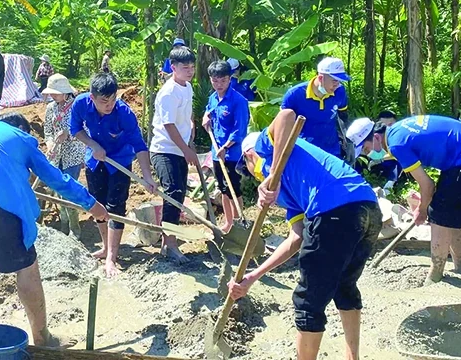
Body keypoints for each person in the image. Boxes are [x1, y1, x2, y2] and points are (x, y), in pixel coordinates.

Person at [0, 114, 109, 347]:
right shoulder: (23, 139)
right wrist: (92, 205)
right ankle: (42, 338)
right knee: (27, 267)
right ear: (23, 129)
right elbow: (57, 179)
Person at [229, 109, 380, 360]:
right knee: (344, 286)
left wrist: (272, 177)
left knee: (308, 299)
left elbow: (287, 115)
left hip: (335, 208)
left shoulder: (266, 147)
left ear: (248, 155)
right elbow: (296, 238)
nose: (254, 174)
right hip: (366, 209)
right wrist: (252, 277)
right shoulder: (292, 192)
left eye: (247, 166)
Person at [354, 115, 461, 284]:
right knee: (449, 213)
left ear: (376, 137)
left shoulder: (397, 144)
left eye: (367, 149)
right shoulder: (396, 132)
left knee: (438, 214)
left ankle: (435, 275)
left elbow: (427, 185)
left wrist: (422, 210)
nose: (370, 155)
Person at [70, 72, 157, 277]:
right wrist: (92, 144)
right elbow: (75, 129)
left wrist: (147, 176)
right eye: (103, 101)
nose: (109, 105)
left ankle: (111, 257)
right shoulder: (81, 104)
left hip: (119, 161)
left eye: (112, 99)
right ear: (92, 97)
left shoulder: (124, 113)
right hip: (96, 158)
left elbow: (139, 145)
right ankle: (106, 246)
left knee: (115, 206)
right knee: (98, 204)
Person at [150, 46, 197, 264]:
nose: (190, 71)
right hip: (164, 149)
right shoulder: (168, 92)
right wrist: (185, 149)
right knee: (173, 191)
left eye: (192, 67)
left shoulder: (186, 87)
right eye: (185, 67)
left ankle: (167, 242)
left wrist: (191, 140)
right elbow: (168, 125)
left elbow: (187, 115)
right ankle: (170, 243)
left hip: (180, 147)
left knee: (179, 194)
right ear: (173, 67)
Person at [202, 60, 249, 233]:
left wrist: (226, 147)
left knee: (233, 189)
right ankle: (228, 223)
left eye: (222, 80)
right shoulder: (213, 98)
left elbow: (239, 130)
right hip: (216, 152)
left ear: (230, 79)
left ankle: (239, 225)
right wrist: (205, 117)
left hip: (232, 154)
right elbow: (208, 113)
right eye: (215, 81)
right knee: (222, 188)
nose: (219, 84)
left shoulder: (238, 101)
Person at [42, 74, 86, 238]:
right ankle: (64, 224)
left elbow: (85, 131)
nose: (52, 96)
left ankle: (75, 229)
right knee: (58, 189)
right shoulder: (51, 108)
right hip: (55, 155)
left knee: (68, 190)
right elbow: (47, 131)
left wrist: (68, 135)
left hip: (73, 154)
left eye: (55, 93)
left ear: (65, 92)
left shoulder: (77, 107)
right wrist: (50, 143)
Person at [281, 57, 350, 157]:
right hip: (304, 152)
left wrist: (349, 142)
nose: (337, 85)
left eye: (340, 81)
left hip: (332, 151)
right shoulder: (294, 95)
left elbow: (343, 117)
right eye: (334, 81)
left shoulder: (340, 91)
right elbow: (283, 126)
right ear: (321, 78)